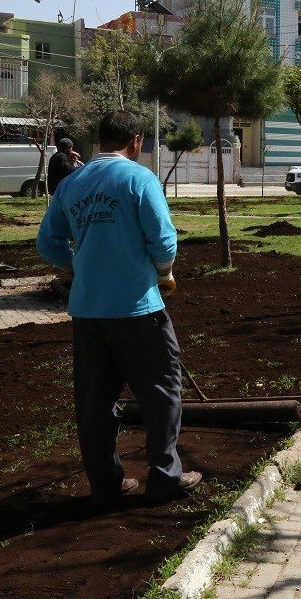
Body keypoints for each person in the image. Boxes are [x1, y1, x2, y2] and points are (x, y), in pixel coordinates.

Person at [37, 111, 200, 506]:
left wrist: (78, 265)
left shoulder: (72, 182)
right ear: (137, 141)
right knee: (162, 391)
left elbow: (47, 243)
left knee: (95, 400)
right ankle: (164, 476)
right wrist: (165, 273)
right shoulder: (138, 178)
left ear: (99, 140)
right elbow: (164, 241)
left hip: (88, 312)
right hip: (137, 308)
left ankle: (106, 483)